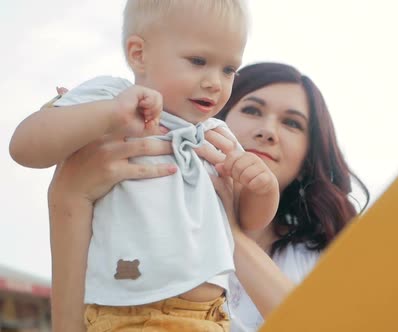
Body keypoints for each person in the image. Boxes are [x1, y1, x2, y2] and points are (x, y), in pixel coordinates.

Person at [9, 1, 280, 331]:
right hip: (132, 314)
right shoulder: (113, 95)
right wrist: (108, 114)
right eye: (198, 61)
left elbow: (245, 223)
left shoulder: (217, 136)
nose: (215, 82)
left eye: (228, 70)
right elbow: (25, 147)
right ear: (139, 54)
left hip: (211, 316)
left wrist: (263, 189)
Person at [47, 62, 370, 331]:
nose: (267, 130)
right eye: (252, 110)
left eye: (292, 123)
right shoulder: (138, 218)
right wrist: (69, 197)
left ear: (307, 159)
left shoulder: (325, 254)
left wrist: (230, 232)